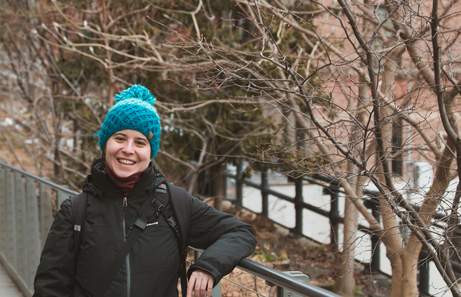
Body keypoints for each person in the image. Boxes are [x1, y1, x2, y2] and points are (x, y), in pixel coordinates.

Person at [33, 85, 257, 297]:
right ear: (104, 144)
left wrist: (208, 266)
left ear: (151, 153)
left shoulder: (176, 203)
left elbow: (241, 233)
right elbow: (49, 287)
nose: (128, 149)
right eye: (119, 138)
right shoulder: (75, 211)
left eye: (140, 142)